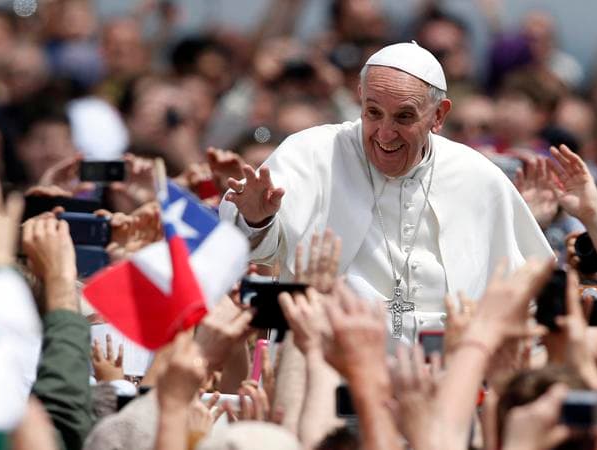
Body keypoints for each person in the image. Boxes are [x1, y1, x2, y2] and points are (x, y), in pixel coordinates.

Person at [219, 42, 553, 342]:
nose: (385, 133)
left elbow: (524, 287)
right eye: (373, 113)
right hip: (329, 359)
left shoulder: (477, 176)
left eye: (404, 117)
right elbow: (254, 248)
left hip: (443, 367)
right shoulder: (313, 153)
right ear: (360, 99)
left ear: (439, 115)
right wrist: (256, 218)